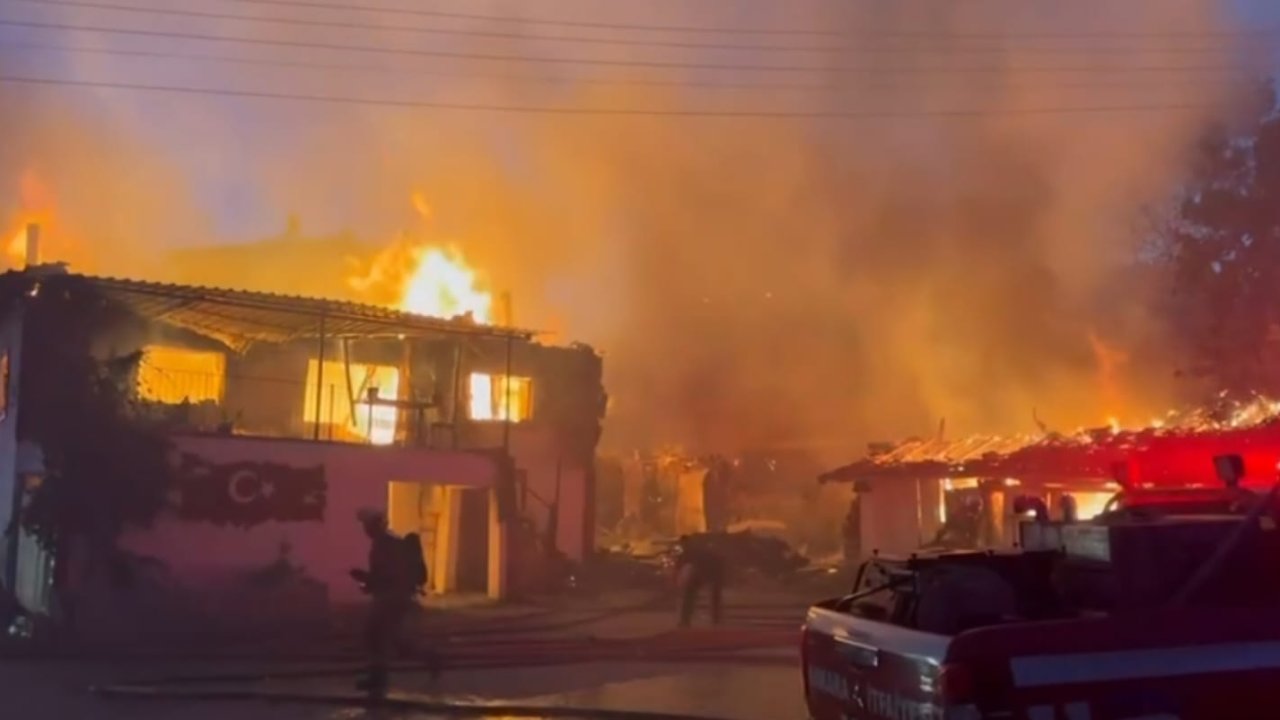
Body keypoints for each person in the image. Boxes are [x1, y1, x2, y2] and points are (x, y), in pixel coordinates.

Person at [350, 508, 416, 694]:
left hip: (392, 598)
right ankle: (430, 658)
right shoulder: (384, 544)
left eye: (367, 526)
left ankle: (378, 678)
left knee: (374, 635)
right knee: (389, 638)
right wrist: (367, 581)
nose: (365, 530)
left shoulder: (385, 546)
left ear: (375, 526)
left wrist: (365, 578)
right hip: (391, 596)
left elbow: (387, 576)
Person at [675, 533, 725, 628]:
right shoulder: (697, 550)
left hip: (708, 572)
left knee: (690, 596)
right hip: (709, 572)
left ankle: (686, 621)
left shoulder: (689, 552)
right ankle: (716, 619)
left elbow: (680, 568)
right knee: (712, 596)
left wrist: (679, 580)